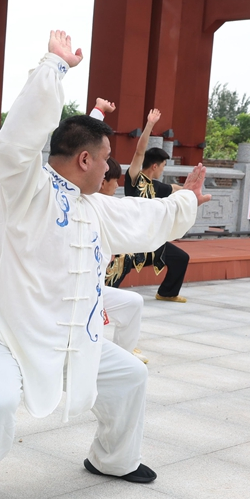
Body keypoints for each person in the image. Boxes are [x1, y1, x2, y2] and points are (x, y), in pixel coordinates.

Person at [0, 31, 210, 499]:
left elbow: (146, 217)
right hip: (6, 336)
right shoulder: (27, 191)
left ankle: (112, 460)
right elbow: (17, 142)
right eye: (103, 159)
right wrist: (53, 67)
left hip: (75, 340)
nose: (108, 168)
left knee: (130, 377)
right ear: (83, 161)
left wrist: (185, 202)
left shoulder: (96, 208)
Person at [107, 108, 191, 302]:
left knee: (180, 258)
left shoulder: (157, 187)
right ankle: (96, 295)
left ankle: (167, 292)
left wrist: (192, 191)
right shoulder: (135, 179)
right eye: (163, 166)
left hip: (150, 241)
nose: (163, 170)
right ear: (155, 166)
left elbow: (177, 189)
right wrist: (150, 125)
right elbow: (139, 151)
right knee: (116, 272)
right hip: (131, 240)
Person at [99, 156, 149, 364]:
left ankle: (122, 357)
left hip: (94, 288)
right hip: (70, 293)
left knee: (132, 302)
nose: (118, 185)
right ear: (102, 181)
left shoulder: (108, 206)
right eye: (114, 180)